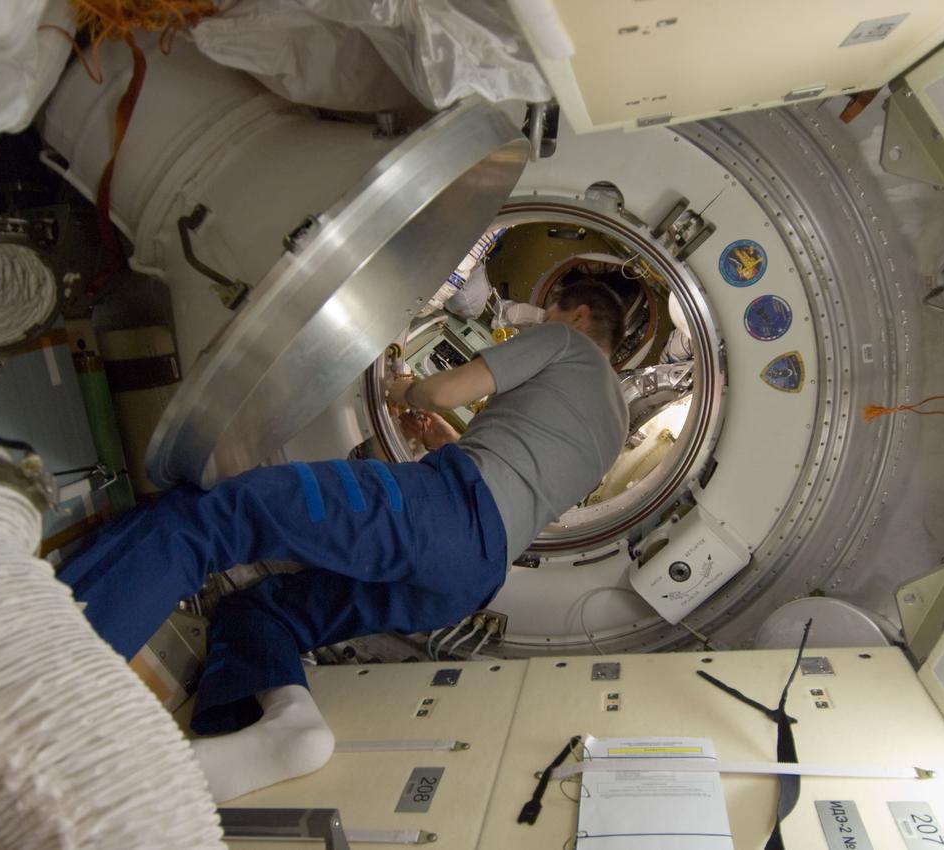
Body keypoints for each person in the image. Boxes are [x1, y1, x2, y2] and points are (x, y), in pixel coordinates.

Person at [58, 279, 629, 802]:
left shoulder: (565, 342)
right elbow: (520, 476)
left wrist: (406, 389)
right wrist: (441, 440)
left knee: (208, 516)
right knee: (262, 612)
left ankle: (48, 683)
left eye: (549, 315)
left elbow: (445, 390)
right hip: (472, 580)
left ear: (577, 316)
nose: (541, 324)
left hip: (445, 513)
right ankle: (289, 725)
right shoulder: (615, 425)